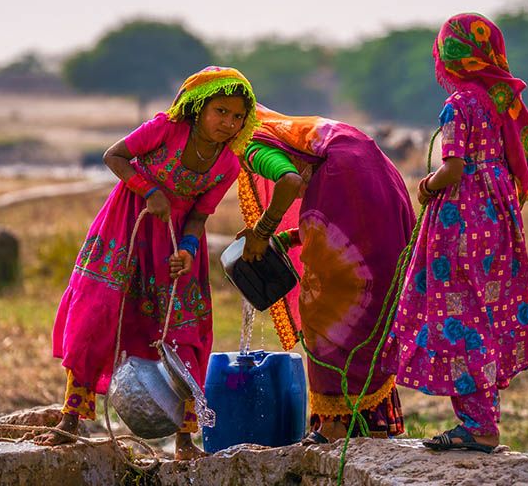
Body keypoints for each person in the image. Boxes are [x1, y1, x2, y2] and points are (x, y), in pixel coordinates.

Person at [35, 66, 259, 460]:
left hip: (172, 247)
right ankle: (70, 420)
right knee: (97, 315)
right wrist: (149, 189)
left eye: (237, 116)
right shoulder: (165, 130)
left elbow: (199, 216)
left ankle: (185, 440)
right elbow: (115, 156)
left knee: (181, 331)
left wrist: (188, 251)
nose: (229, 123)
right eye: (220, 111)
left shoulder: (227, 164)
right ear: (197, 108)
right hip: (126, 227)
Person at [379, 13, 528, 453]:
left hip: (460, 223)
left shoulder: (457, 105)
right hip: (496, 218)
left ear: (449, 57)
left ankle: (477, 426)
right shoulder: (497, 104)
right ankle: (484, 421)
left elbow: (452, 169)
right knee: (486, 314)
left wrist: (424, 185)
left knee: (457, 316)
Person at [236, 105, 415, 444]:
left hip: (346, 179)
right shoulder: (301, 133)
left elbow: (290, 181)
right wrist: (289, 237)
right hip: (380, 183)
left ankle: (334, 424)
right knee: (370, 303)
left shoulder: (253, 143)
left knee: (325, 312)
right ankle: (371, 423)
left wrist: (262, 231)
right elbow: (347, 221)